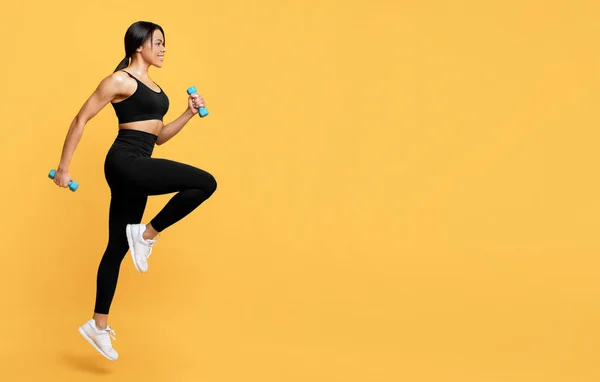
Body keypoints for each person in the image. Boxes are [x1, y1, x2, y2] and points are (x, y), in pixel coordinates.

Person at [52, 21, 217, 361]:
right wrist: (64, 167)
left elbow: (157, 137)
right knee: (204, 182)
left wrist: (187, 113)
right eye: (158, 42)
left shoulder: (153, 85)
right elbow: (81, 119)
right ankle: (145, 234)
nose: (163, 48)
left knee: (115, 248)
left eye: (164, 43)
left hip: (140, 160)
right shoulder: (119, 80)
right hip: (124, 162)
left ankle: (97, 325)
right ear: (139, 45)